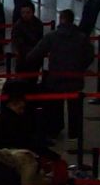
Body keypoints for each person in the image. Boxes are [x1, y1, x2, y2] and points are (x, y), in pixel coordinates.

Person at [23, 8, 93, 145]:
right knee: (75, 108)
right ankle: (75, 134)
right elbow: (90, 56)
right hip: (75, 77)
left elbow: (34, 54)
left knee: (55, 106)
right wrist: (80, 67)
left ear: (61, 19)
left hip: (56, 77)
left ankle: (54, 131)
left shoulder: (52, 36)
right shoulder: (82, 37)